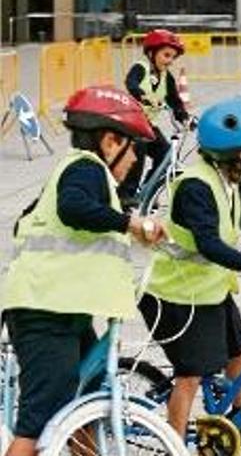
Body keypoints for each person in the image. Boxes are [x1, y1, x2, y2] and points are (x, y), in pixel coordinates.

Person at [1, 86, 166, 456]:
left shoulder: (86, 176)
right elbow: (72, 208)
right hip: (44, 311)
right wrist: (131, 224)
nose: (135, 158)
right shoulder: (85, 169)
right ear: (110, 141)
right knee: (40, 417)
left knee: (85, 400)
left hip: (64, 310)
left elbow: (31, 222)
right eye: (133, 147)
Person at [139, 97, 241, 456]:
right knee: (190, 376)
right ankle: (175, 446)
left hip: (207, 291)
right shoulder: (196, 185)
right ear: (238, 151)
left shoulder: (226, 177)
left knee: (240, 351)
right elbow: (208, 244)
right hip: (174, 296)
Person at [119, 28, 192, 206]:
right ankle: (126, 194)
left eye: (173, 57)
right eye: (166, 55)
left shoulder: (167, 78)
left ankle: (148, 191)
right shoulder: (140, 68)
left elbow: (175, 101)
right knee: (139, 150)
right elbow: (131, 83)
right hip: (130, 124)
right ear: (152, 53)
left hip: (147, 124)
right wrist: (142, 94)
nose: (170, 61)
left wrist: (184, 117)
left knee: (166, 154)